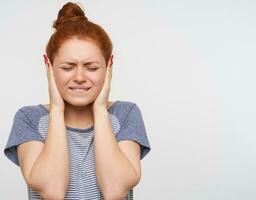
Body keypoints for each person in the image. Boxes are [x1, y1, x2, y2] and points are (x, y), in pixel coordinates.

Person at [3, 2, 151, 200]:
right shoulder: (29, 119)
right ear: (48, 65)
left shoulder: (125, 114)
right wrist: (56, 109)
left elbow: (115, 191)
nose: (79, 77)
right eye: (67, 67)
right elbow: (52, 191)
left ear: (109, 66)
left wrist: (100, 109)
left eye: (91, 67)